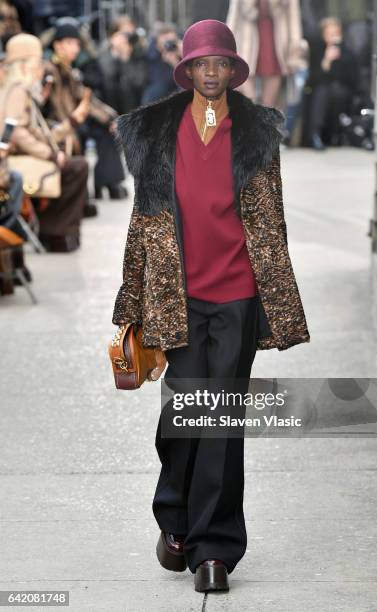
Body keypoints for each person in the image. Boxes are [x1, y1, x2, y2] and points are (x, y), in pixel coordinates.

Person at [112, 19, 310, 593]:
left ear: (233, 69)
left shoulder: (258, 132)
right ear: (188, 70)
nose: (212, 73)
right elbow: (142, 223)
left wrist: (277, 297)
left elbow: (272, 224)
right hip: (177, 294)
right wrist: (131, 299)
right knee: (183, 415)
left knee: (220, 419)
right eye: (202, 64)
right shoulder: (156, 131)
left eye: (221, 64)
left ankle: (213, 550)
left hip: (237, 294)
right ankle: (174, 519)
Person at [0, 33, 88, 252]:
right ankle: (56, 232)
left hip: (21, 154)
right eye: (36, 61)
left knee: (75, 166)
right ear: (26, 63)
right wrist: (49, 154)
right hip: (15, 159)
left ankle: (58, 232)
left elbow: (30, 130)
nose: (40, 66)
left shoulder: (18, 89)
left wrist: (68, 126)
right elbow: (17, 132)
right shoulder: (19, 90)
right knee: (76, 168)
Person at [42, 21, 127, 200]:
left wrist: (111, 118)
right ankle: (81, 196)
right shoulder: (49, 70)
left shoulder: (69, 71)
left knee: (108, 130)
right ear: (57, 45)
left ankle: (107, 182)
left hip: (75, 121)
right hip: (58, 126)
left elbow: (88, 100)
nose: (76, 48)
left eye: (77, 44)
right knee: (79, 134)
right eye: (70, 43)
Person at [226, 0, 304, 107]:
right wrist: (226, 48)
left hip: (276, 47)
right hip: (246, 46)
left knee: (268, 105)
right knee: (248, 101)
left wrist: (294, 53)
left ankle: (265, 121)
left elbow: (294, 23)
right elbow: (233, 18)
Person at [305, 16, 359, 149]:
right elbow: (313, 80)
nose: (333, 37)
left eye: (336, 34)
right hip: (322, 92)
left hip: (342, 92)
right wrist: (327, 61)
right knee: (322, 92)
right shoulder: (318, 51)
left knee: (335, 93)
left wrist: (340, 59)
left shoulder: (347, 52)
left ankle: (334, 134)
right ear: (324, 36)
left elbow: (352, 79)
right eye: (330, 34)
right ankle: (315, 134)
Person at [141, 22, 182, 104]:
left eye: (172, 43)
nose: (168, 46)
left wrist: (176, 63)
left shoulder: (184, 56)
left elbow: (186, 86)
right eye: (165, 43)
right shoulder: (152, 59)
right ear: (157, 45)